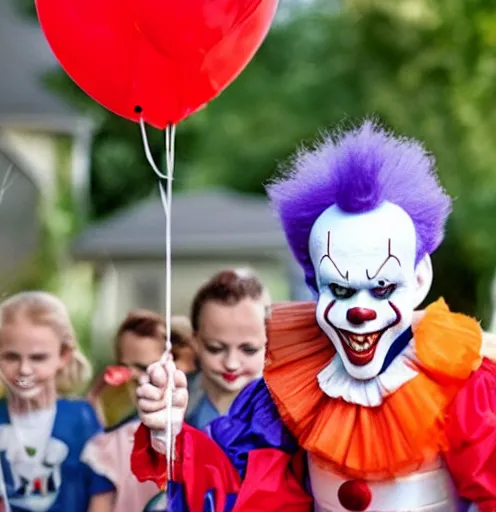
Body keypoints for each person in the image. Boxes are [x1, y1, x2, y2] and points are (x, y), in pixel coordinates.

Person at [131, 121, 496, 511]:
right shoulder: (291, 392)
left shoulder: (465, 386)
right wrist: (169, 435)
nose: (359, 311)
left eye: (382, 288)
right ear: (314, 284)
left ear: (420, 279)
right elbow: (236, 487)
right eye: (340, 289)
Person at [0, 291, 114, 512]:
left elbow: (101, 492)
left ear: (63, 355)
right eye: (11, 357)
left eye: (38, 357)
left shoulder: (82, 417)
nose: (24, 369)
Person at [82, 310, 196, 512]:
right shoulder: (109, 445)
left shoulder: (197, 429)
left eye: (147, 368)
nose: (135, 378)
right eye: (125, 367)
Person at [184, 268, 270, 430]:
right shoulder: (170, 404)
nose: (231, 363)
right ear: (195, 341)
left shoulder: (286, 412)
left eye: (249, 349)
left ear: (269, 343)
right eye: (215, 349)